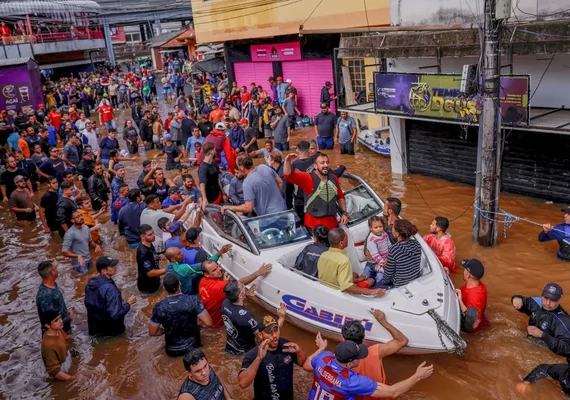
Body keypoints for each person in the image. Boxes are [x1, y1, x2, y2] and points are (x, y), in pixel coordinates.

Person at [303, 337, 433, 399]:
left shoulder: (323, 358)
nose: (362, 358)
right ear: (349, 364)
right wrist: (417, 376)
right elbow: (393, 392)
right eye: (359, 357)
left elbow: (306, 365)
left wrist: (320, 348)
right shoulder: (352, 381)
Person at [342, 311, 409, 400]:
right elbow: (402, 341)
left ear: (343, 338)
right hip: (382, 396)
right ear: (364, 337)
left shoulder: (337, 359)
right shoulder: (376, 351)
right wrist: (382, 320)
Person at [238, 315, 306, 400]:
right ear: (260, 335)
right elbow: (243, 383)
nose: (274, 335)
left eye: (276, 330)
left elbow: (302, 363)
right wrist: (258, 359)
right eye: (269, 332)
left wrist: (299, 351)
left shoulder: (286, 345)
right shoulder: (253, 355)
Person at [150, 273, 213, 357]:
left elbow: (152, 332)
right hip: (193, 346)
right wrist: (196, 326)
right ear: (179, 283)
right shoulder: (193, 300)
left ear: (164, 288)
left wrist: (167, 330)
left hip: (172, 350)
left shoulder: (159, 307)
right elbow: (209, 323)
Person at [284, 152, 348, 230]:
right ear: (315, 166)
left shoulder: (334, 178)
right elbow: (289, 176)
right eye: (322, 163)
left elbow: (340, 197)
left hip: (332, 224)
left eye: (327, 162)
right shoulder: (307, 178)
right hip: (313, 226)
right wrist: (287, 161)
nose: (326, 165)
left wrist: (344, 214)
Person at [199, 260, 272, 328]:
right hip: (217, 324)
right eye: (214, 270)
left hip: (206, 318)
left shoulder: (202, 281)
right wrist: (258, 273)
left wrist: (224, 282)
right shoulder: (218, 286)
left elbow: (218, 294)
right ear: (206, 274)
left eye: (218, 266)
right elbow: (238, 284)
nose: (219, 270)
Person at [222, 280, 286, 355]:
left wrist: (246, 295)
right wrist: (282, 317)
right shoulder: (246, 316)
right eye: (242, 286)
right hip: (245, 351)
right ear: (240, 295)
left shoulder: (225, 303)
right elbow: (262, 334)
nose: (244, 286)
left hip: (230, 346)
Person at [511, 282, 570, 359]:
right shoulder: (538, 303)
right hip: (528, 342)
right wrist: (516, 299)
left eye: (553, 300)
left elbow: (567, 349)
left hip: (544, 353)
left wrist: (542, 335)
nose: (548, 303)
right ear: (542, 296)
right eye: (545, 298)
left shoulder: (563, 321)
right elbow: (523, 301)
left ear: (559, 300)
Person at [318, 228, 382, 296]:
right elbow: (347, 287)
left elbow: (333, 276)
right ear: (341, 243)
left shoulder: (323, 255)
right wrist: (372, 292)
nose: (348, 239)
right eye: (346, 238)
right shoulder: (344, 260)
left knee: (355, 275)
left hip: (328, 288)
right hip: (340, 292)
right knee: (371, 280)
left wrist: (358, 279)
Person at [85, 256, 136, 337]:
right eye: (111, 266)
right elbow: (116, 315)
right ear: (104, 271)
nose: (115, 267)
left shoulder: (91, 283)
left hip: (94, 326)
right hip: (111, 329)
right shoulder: (110, 289)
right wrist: (128, 303)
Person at [221, 154, 286, 217]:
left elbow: (248, 208)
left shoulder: (247, 183)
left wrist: (229, 207)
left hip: (269, 218)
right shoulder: (264, 167)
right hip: (284, 211)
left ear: (241, 168)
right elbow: (280, 182)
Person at [381, 220, 422, 288]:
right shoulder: (416, 243)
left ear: (397, 234)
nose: (391, 229)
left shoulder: (395, 249)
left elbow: (388, 274)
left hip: (399, 284)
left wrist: (385, 268)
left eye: (393, 228)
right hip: (415, 278)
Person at [36, 260, 71, 334]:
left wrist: (67, 316)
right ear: (52, 272)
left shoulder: (53, 283)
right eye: (55, 269)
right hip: (59, 330)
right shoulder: (44, 295)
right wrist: (64, 335)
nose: (57, 270)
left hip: (63, 323)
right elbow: (50, 321)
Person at [40, 311, 76, 381]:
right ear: (47, 325)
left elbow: (67, 342)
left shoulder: (58, 330)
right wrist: (73, 378)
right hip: (62, 373)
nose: (61, 321)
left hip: (67, 363)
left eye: (60, 318)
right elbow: (54, 372)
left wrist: (76, 356)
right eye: (56, 320)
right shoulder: (48, 346)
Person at [455, 259, 488, 332]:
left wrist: (460, 302)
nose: (463, 272)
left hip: (473, 332)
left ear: (468, 275)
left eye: (464, 270)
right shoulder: (478, 284)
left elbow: (475, 324)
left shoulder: (474, 297)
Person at [136, 224, 167, 293]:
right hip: (148, 286)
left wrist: (158, 256)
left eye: (153, 233)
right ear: (142, 237)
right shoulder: (143, 253)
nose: (153, 236)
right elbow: (150, 273)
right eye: (149, 235)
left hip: (155, 280)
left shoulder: (149, 244)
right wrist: (168, 269)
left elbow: (151, 257)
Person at [363, 216, 391, 286]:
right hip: (374, 263)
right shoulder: (371, 240)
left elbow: (390, 246)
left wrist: (389, 258)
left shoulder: (385, 234)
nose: (379, 229)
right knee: (365, 277)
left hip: (385, 260)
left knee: (382, 277)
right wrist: (383, 263)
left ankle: (378, 284)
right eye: (376, 227)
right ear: (370, 228)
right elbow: (375, 255)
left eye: (380, 226)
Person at [198, 142, 225, 208]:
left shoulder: (214, 164)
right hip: (210, 198)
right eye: (215, 150)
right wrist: (204, 199)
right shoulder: (203, 168)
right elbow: (202, 184)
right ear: (212, 152)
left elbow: (218, 180)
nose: (216, 151)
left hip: (218, 195)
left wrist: (223, 193)